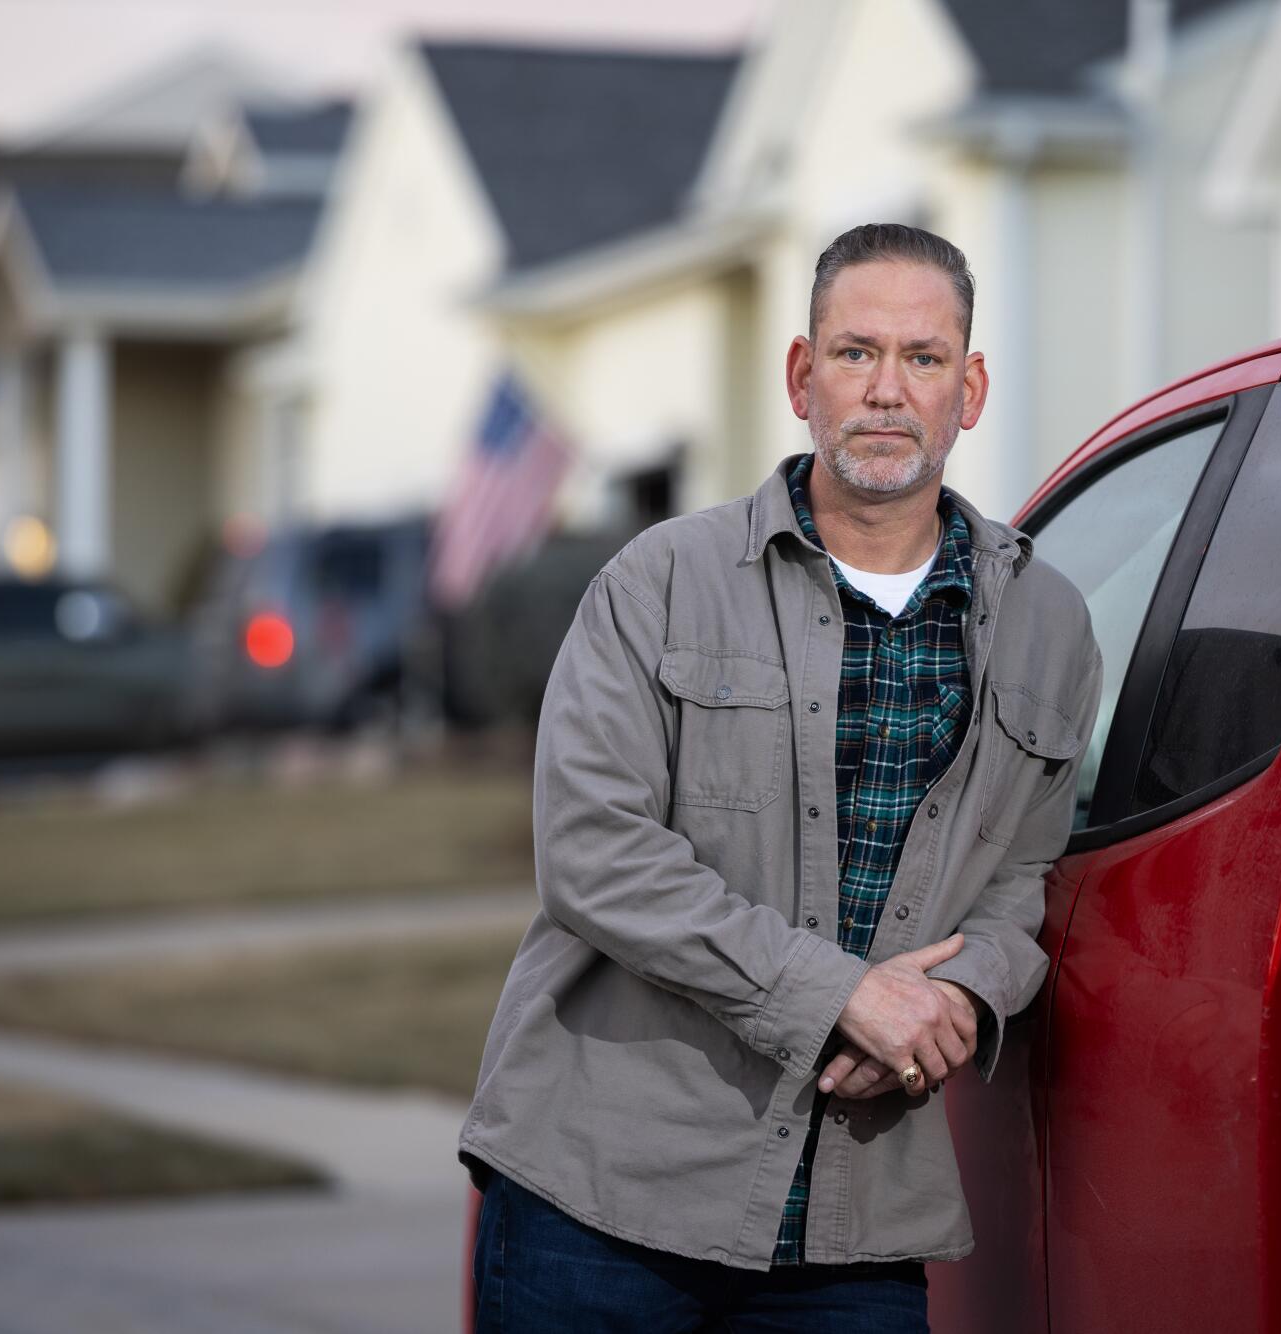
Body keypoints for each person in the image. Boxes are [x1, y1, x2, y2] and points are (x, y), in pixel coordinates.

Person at [459, 222, 1102, 1331]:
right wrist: (842, 995)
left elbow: (1023, 876)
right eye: (854, 353)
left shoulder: (1047, 625)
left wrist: (958, 996)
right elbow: (590, 851)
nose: (887, 390)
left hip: (855, 1219)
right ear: (803, 378)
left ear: (971, 386)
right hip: (604, 1192)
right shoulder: (657, 580)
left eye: (923, 356)